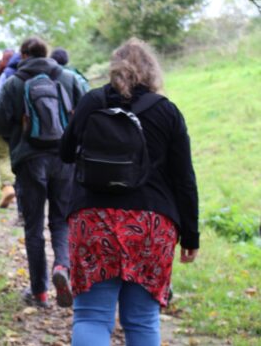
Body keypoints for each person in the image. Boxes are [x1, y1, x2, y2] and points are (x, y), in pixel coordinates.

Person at [60, 38, 199, 345]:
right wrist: (190, 236)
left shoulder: (91, 101)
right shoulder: (167, 112)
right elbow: (184, 179)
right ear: (152, 72)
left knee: (91, 317)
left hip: (93, 220)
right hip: (151, 225)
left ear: (114, 68)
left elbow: (66, 153)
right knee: (142, 320)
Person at [0, 37, 85, 308]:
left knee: (33, 226)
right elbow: (86, 112)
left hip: (29, 160)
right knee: (61, 220)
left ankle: (39, 293)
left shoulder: (13, 83)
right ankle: (62, 267)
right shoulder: (67, 78)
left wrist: (18, 129)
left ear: (23, 55)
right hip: (65, 159)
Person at [0, 49, 19, 209]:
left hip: (5, 124)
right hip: (24, 125)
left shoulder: (6, 74)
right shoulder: (32, 75)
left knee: (2, 155)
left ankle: (8, 186)